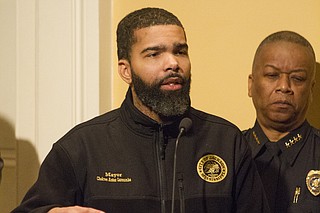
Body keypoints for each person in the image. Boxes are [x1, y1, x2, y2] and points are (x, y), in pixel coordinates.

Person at [13, 7, 269, 213]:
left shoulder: (225, 140)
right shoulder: (82, 147)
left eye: (180, 51)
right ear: (126, 70)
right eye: (154, 54)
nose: (173, 63)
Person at [243, 31, 320, 213]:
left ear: (311, 90)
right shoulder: (229, 153)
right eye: (272, 75)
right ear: (250, 85)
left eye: (298, 78)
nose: (284, 87)